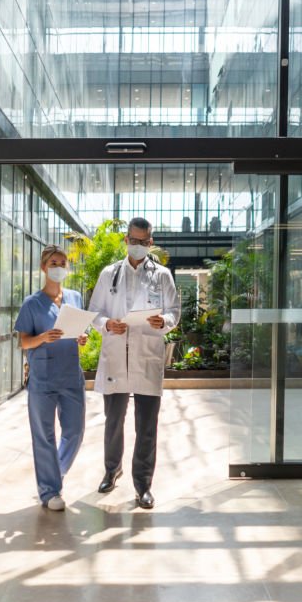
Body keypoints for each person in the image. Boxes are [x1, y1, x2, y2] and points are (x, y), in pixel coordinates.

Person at [88, 217, 181, 509]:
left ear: (150, 242)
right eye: (133, 240)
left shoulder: (163, 275)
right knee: (113, 421)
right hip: (117, 356)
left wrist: (162, 320)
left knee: (146, 425)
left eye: (143, 241)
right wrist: (107, 325)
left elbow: (174, 312)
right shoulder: (109, 273)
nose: (138, 246)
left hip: (146, 356)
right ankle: (111, 469)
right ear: (126, 240)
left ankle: (143, 484)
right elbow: (94, 312)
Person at [14, 245, 89, 511]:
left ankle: (55, 471)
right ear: (44, 267)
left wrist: (82, 337)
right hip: (43, 378)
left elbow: (80, 332)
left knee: (75, 431)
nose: (58, 267)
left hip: (70, 374)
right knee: (44, 435)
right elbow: (24, 343)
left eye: (62, 263)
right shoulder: (31, 303)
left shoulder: (75, 298)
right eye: (53, 262)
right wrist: (44, 337)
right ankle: (50, 491)